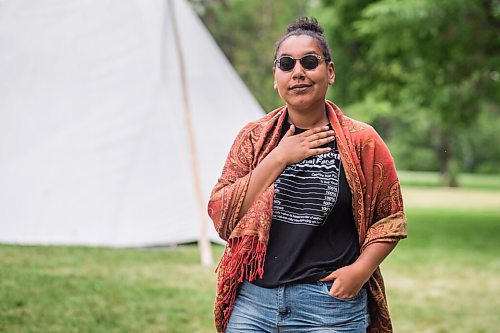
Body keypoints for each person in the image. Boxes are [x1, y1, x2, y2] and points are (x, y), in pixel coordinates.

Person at [208, 17, 407, 333]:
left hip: (329, 309)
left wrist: (360, 271)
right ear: (276, 77)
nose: (297, 72)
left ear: (330, 71)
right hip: (253, 306)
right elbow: (221, 214)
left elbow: (390, 220)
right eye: (286, 64)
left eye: (309, 62)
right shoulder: (254, 138)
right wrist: (279, 158)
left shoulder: (362, 141)